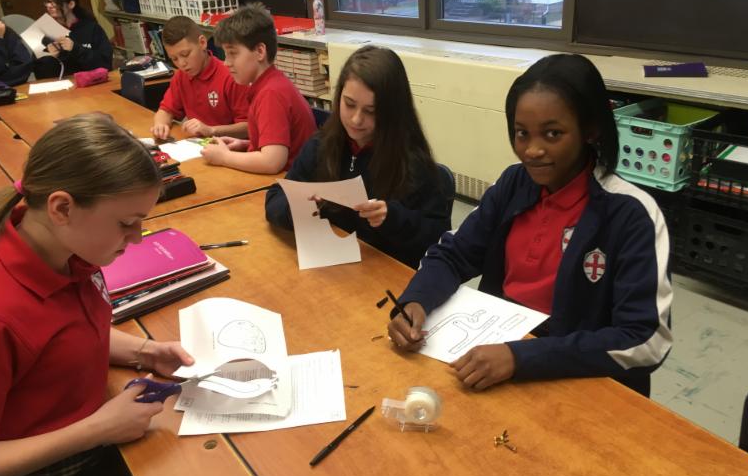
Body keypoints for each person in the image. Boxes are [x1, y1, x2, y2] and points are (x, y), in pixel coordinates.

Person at [388, 54, 673, 396]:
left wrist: (521, 357)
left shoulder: (631, 214)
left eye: (553, 134)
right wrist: (415, 301)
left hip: (576, 377)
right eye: (522, 133)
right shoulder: (513, 185)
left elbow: (646, 339)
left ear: (590, 129)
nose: (533, 150)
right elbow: (453, 254)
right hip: (497, 359)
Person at [0, 114, 194, 476]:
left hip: (80, 443)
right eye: (126, 223)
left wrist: (145, 351)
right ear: (62, 208)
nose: (138, 238)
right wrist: (96, 430)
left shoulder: (68, 251)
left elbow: (60, 334)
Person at [265, 45, 451, 268]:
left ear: (392, 112)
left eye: (371, 111)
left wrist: (392, 218)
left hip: (381, 275)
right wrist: (297, 209)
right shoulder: (322, 145)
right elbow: (275, 198)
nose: (356, 120)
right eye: (349, 104)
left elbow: (438, 240)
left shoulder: (414, 164)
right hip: (331, 269)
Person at [202, 3, 316, 174]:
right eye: (225, 54)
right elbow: (279, 146)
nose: (226, 63)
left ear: (260, 52)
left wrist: (224, 157)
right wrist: (247, 145)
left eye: (233, 53)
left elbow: (272, 162)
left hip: (289, 184)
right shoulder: (270, 83)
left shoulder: (270, 94)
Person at [151, 15, 249, 142]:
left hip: (229, 147)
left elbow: (248, 127)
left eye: (185, 54)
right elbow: (166, 110)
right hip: (198, 145)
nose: (181, 63)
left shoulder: (232, 76)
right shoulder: (181, 76)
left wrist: (211, 130)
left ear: (202, 43)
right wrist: (160, 124)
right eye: (174, 59)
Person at [34, 0, 112, 78]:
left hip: (92, 82)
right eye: (47, 1)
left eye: (55, 1)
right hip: (62, 84)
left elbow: (106, 64)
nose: (49, 6)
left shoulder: (91, 28)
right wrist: (51, 58)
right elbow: (39, 75)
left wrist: (75, 49)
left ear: (71, 4)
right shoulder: (44, 31)